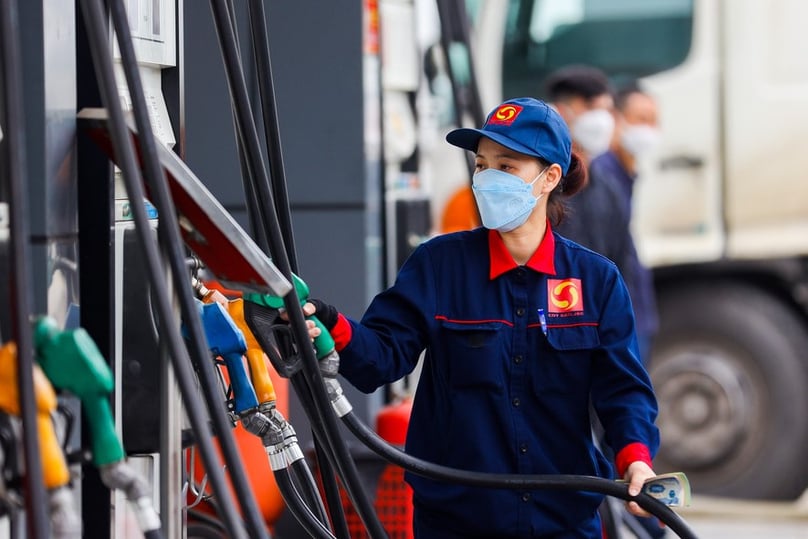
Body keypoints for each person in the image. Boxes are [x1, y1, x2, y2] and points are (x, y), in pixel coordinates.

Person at [306, 97, 660, 538]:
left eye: (506, 167)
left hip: (563, 522)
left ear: (550, 177)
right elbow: (380, 359)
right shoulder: (438, 265)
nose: (487, 179)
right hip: (456, 521)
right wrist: (327, 325)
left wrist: (636, 460)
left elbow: (622, 390)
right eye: (481, 165)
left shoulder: (595, 280)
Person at [556, 82, 661, 369]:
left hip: (627, 312)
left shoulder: (613, 182)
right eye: (640, 119)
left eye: (653, 121)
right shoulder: (593, 177)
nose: (648, 130)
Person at [545, 65, 615, 164]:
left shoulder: (602, 170)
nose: (601, 118)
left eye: (606, 110)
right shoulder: (540, 166)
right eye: (591, 108)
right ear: (561, 110)